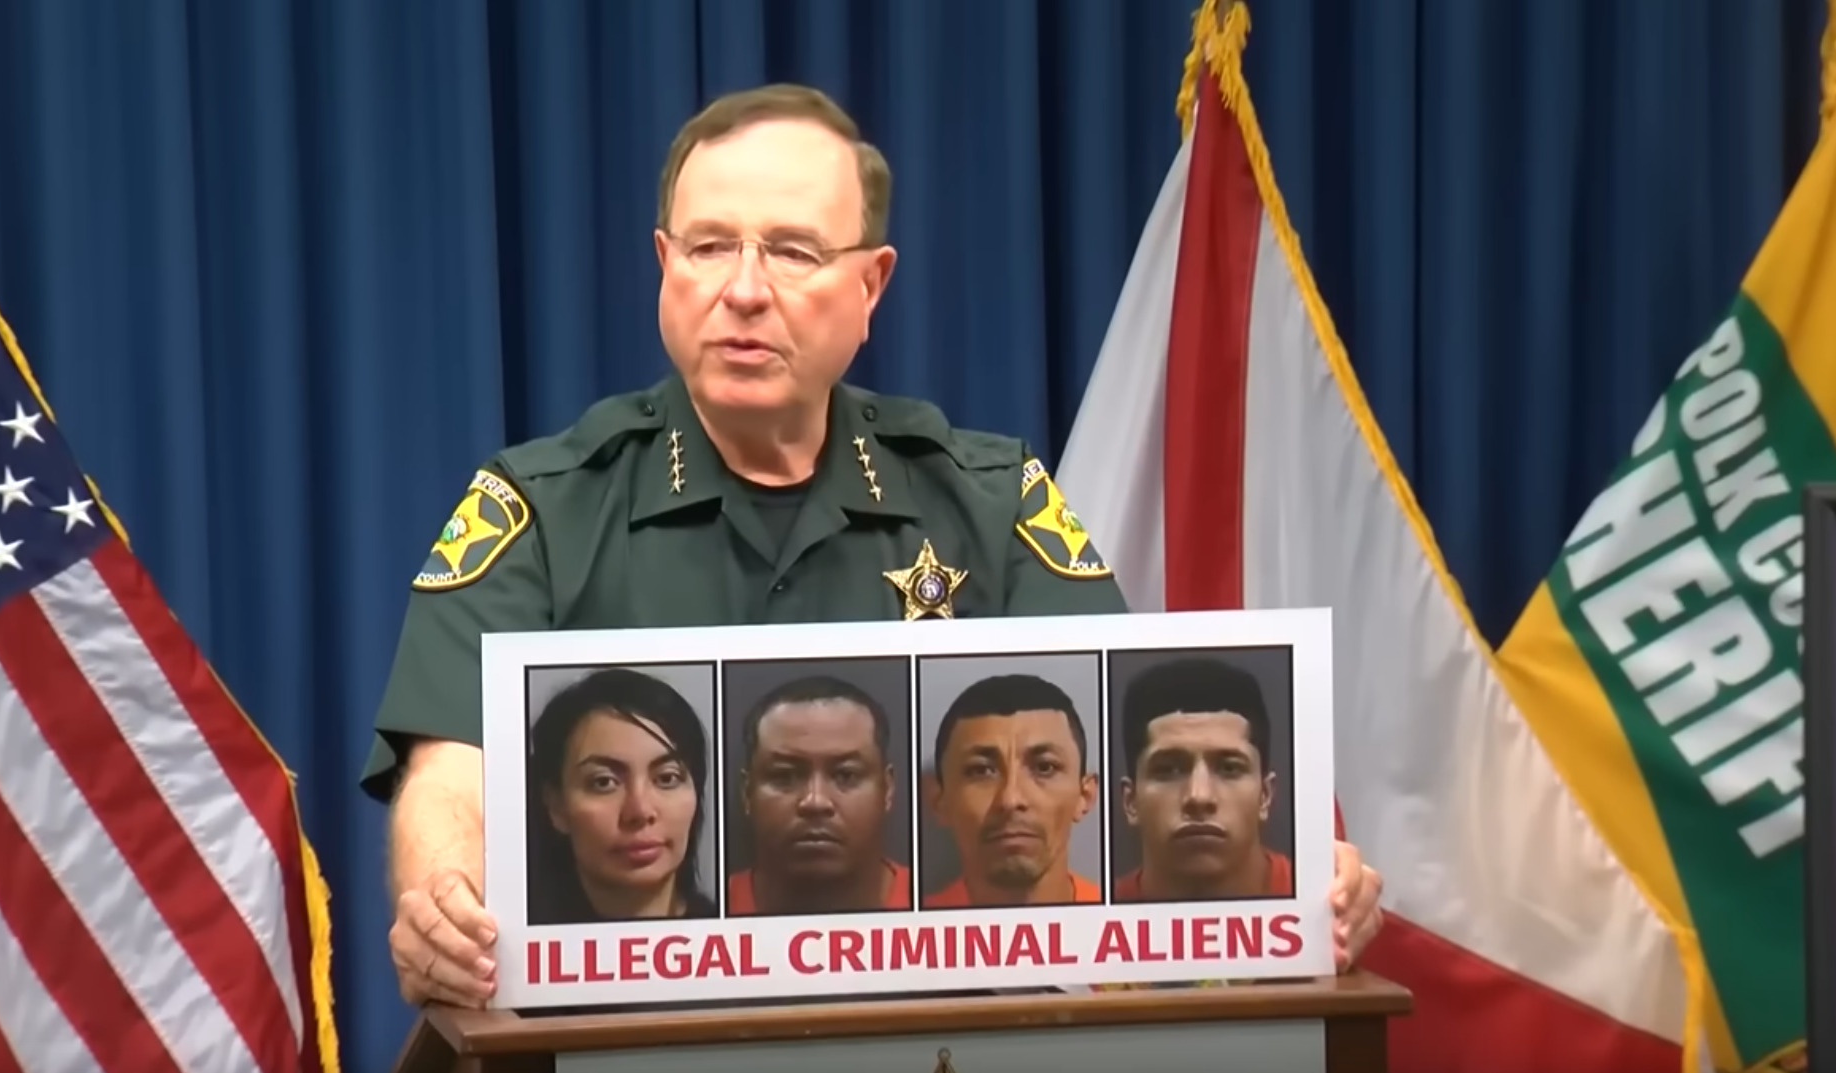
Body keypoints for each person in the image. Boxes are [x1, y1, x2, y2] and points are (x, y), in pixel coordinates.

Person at [367, 81, 1384, 1011]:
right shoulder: (541, 506)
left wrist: (1299, 879)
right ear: (664, 266)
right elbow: (454, 771)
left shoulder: (988, 497)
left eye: (794, 250)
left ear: (871, 284)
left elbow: (1118, 753)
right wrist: (444, 897)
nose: (745, 289)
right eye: (710, 246)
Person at [526, 667, 718, 923]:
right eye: (604, 782)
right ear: (556, 806)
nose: (639, 811)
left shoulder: (748, 940)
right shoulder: (512, 948)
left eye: (667, 778)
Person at [727, 674, 911, 915]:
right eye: (784, 776)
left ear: (887, 789)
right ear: (747, 792)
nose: (815, 801)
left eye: (846, 775)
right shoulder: (707, 915)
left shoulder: (935, 910)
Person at [1112, 658, 1293, 902]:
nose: (1199, 796)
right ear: (1130, 802)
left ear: (1265, 795)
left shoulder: (1337, 911)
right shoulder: (1081, 922)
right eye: (1168, 770)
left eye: (1229, 768)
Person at [921, 674, 1101, 907]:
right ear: (938, 799)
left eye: (1044, 767)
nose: (1011, 799)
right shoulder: (909, 930)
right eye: (981, 770)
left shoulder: (1125, 917)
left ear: (1084, 795)